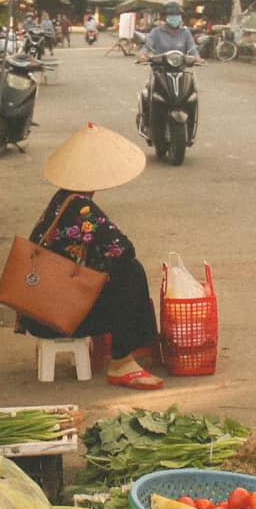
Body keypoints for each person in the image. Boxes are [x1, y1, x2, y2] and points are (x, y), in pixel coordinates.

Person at [15, 123, 163, 390]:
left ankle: (125, 352)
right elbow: (123, 249)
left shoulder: (63, 199)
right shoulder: (81, 208)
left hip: (39, 310)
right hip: (55, 317)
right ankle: (122, 361)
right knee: (131, 272)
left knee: (119, 271)